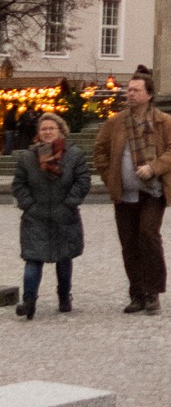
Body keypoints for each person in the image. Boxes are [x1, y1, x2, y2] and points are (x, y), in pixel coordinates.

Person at [92, 65, 171, 314]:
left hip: (153, 191)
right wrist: (110, 176)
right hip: (124, 193)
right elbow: (99, 150)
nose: (130, 94)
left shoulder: (165, 121)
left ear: (149, 94)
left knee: (148, 235)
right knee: (129, 242)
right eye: (129, 90)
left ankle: (153, 292)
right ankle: (137, 293)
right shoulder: (116, 123)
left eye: (136, 90)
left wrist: (154, 167)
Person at [11, 112, 91, 317]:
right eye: (43, 129)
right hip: (36, 216)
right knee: (33, 258)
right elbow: (19, 184)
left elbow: (82, 181)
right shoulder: (28, 158)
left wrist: (69, 204)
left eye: (51, 128)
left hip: (64, 215)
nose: (47, 132)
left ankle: (64, 297)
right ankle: (29, 301)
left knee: (63, 258)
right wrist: (29, 205)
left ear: (61, 130)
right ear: (38, 133)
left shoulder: (74, 155)